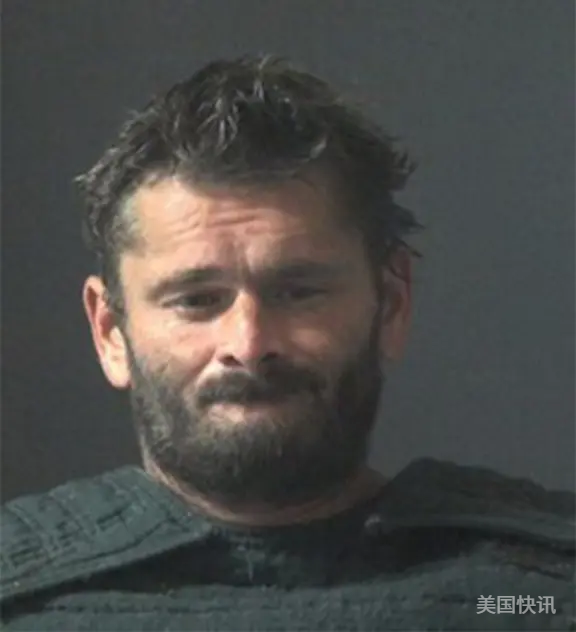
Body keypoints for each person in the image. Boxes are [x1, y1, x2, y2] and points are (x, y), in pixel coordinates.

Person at [1, 55, 573, 631]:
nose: (249, 344)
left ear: (391, 304)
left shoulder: (537, 598)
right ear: (109, 331)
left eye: (299, 292)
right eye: (196, 300)